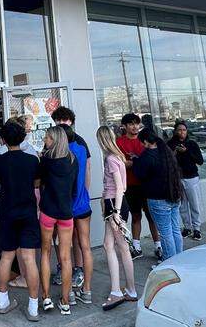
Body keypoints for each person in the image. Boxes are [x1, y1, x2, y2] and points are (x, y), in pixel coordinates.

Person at [0, 121, 42, 322]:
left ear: (3, 140)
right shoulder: (32, 160)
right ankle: (33, 307)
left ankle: (3, 302)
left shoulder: (0, 161)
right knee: (29, 259)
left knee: (6, 257)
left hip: (7, 213)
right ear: (23, 138)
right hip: (28, 212)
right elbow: (37, 183)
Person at [51, 106, 92, 305]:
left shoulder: (79, 143)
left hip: (73, 203)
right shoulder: (57, 143)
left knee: (76, 241)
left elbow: (86, 172)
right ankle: (66, 271)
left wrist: (84, 192)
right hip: (70, 203)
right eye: (58, 121)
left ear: (71, 122)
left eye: (64, 120)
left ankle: (78, 271)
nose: (61, 124)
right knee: (66, 240)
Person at [96, 125, 138, 310]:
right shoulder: (118, 157)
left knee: (115, 246)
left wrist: (116, 212)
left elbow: (120, 187)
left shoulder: (111, 159)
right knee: (118, 246)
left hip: (115, 205)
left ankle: (117, 291)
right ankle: (130, 289)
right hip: (114, 204)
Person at [37, 125, 77, 315]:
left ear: (54, 140)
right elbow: (74, 188)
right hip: (66, 212)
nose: (45, 140)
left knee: (45, 253)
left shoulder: (46, 161)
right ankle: (65, 300)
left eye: (47, 138)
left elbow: (40, 182)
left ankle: (45, 297)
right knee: (66, 257)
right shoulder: (72, 160)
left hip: (47, 211)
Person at [132, 130, 184, 260]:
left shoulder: (146, 156)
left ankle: (169, 262)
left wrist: (135, 161)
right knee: (175, 229)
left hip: (158, 199)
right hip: (174, 196)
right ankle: (180, 259)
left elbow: (140, 174)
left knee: (165, 232)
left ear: (145, 142)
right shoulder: (165, 152)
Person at [115, 113, 161, 260]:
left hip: (148, 184)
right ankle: (136, 247)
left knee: (152, 216)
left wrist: (133, 162)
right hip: (130, 185)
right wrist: (136, 162)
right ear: (125, 126)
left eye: (137, 123)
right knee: (135, 216)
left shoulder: (144, 140)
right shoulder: (119, 142)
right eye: (131, 124)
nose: (135, 127)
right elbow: (120, 164)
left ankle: (159, 246)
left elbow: (151, 160)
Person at [166, 120, 204, 240]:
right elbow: (167, 161)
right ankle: (187, 227)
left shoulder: (192, 144)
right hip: (177, 178)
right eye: (179, 130)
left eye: (184, 130)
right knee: (182, 205)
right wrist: (176, 151)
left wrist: (186, 152)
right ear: (175, 131)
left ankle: (197, 228)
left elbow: (200, 161)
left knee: (194, 204)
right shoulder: (171, 144)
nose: (182, 132)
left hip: (191, 177)